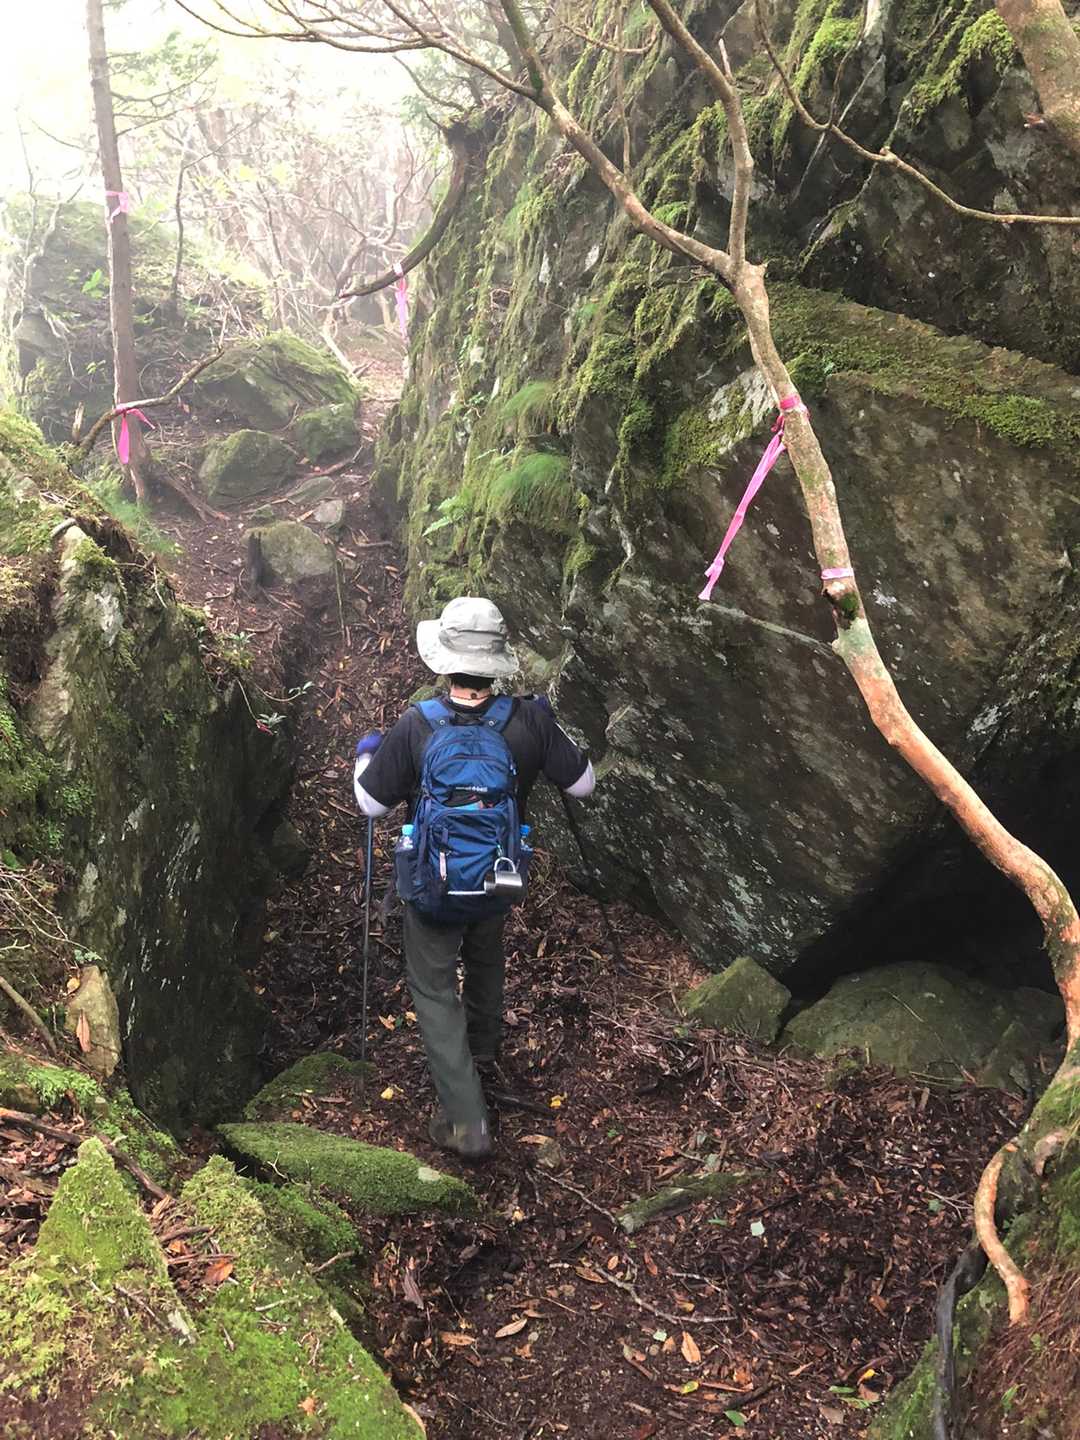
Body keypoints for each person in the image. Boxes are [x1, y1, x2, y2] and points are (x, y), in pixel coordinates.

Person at [353, 595, 594, 1160]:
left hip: (433, 886)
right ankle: (483, 1051)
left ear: (444, 661)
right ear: (497, 663)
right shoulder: (528, 720)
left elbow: (369, 804)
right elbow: (583, 784)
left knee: (434, 988)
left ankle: (467, 1122)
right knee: (486, 955)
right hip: (498, 877)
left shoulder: (418, 724)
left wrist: (367, 755)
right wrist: (549, 728)